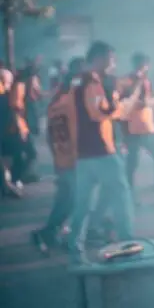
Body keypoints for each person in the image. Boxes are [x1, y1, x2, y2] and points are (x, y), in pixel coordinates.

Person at [67, 41, 139, 262]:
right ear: (99, 58)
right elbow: (98, 113)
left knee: (83, 203)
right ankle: (128, 243)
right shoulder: (92, 82)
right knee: (120, 195)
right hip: (101, 150)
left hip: (84, 152)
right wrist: (119, 106)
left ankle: (75, 248)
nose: (113, 64)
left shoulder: (78, 81)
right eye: (111, 59)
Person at [31, 57, 85, 254]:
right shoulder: (73, 101)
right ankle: (50, 233)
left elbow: (49, 134)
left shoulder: (57, 102)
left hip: (62, 156)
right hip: (73, 157)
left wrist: (56, 155)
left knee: (65, 198)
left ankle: (52, 232)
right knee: (74, 199)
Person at [117, 53, 154, 201]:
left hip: (131, 127)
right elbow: (144, 103)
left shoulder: (123, 81)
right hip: (144, 127)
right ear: (145, 65)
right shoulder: (141, 81)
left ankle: (129, 194)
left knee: (132, 163)